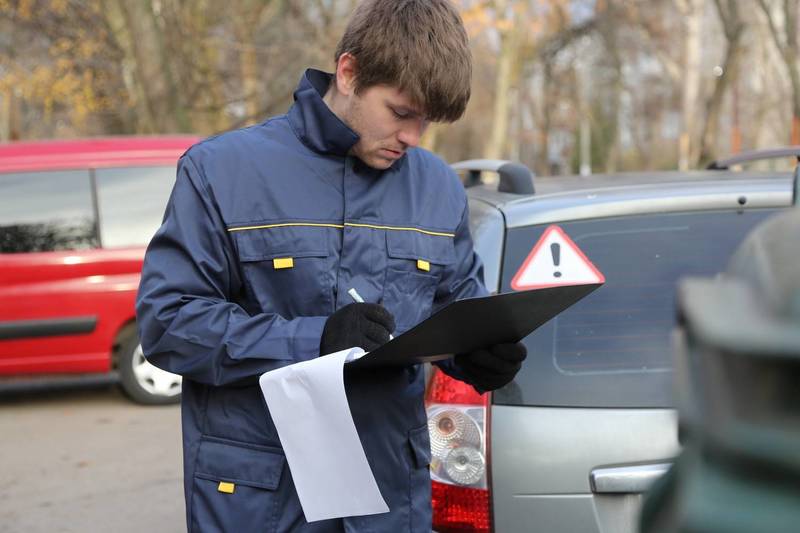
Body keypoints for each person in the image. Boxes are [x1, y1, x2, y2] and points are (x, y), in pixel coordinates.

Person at [136, 1, 527, 531]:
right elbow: (169, 324)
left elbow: (451, 308)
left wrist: (477, 356)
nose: (414, 137)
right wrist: (311, 342)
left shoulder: (436, 185)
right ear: (349, 72)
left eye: (427, 121)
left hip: (388, 494)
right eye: (401, 112)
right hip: (263, 500)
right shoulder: (221, 171)